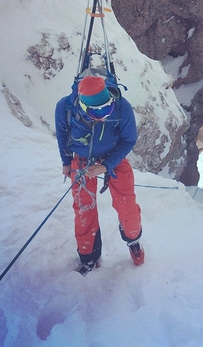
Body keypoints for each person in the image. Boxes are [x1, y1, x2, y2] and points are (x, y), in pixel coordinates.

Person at [55, 74, 144, 274]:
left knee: (127, 206)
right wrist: (66, 161)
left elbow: (129, 140)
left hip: (114, 158)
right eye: (98, 111)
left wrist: (106, 166)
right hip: (82, 160)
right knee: (83, 209)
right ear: (83, 106)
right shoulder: (65, 108)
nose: (104, 114)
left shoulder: (122, 106)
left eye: (107, 107)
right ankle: (89, 257)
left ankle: (134, 239)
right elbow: (62, 135)